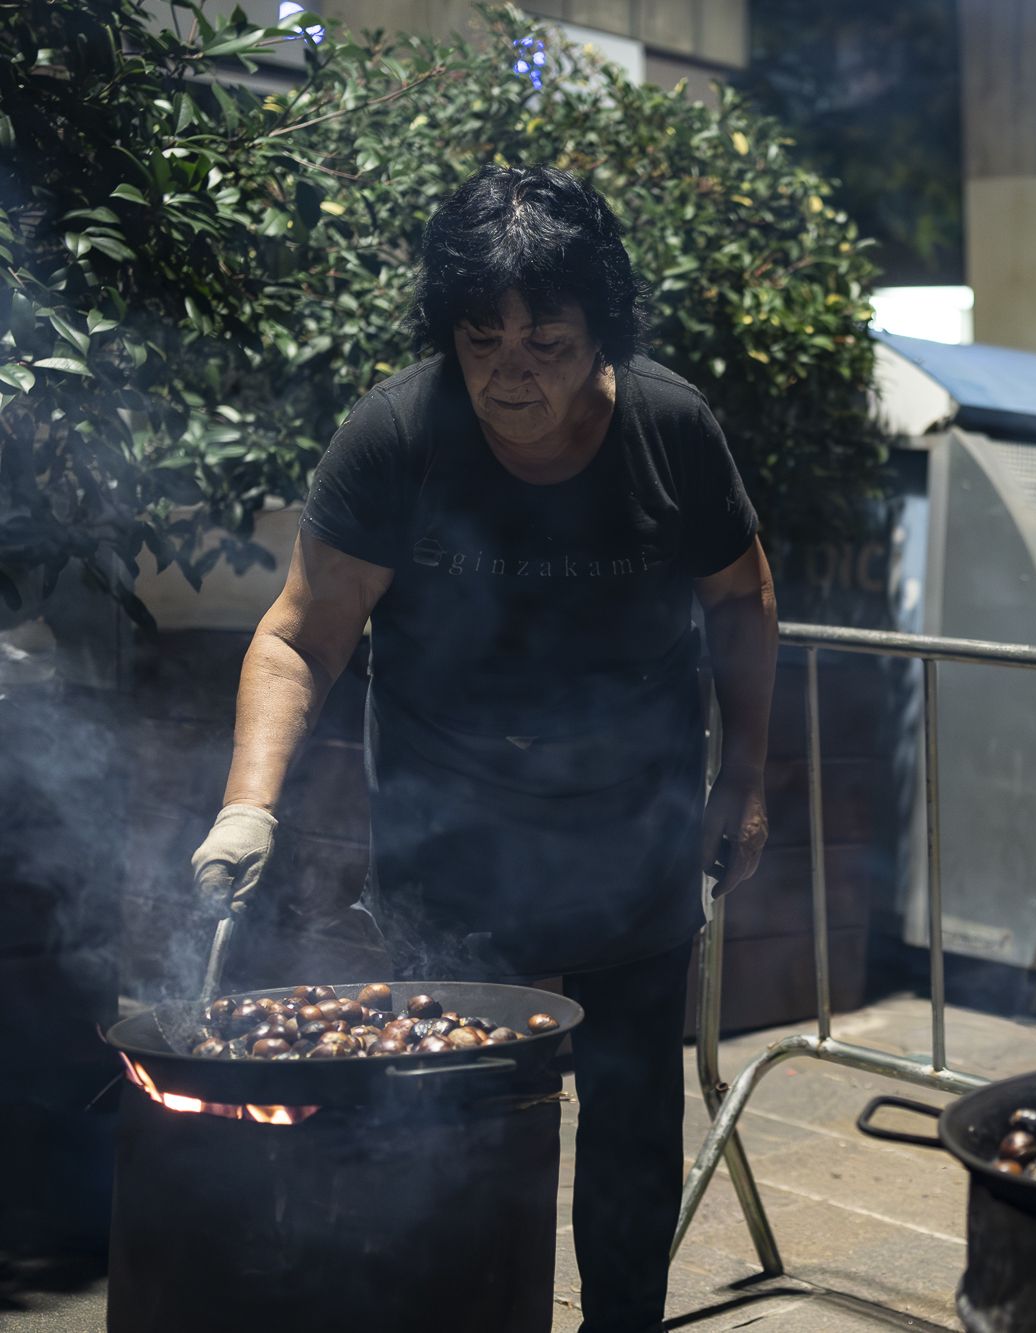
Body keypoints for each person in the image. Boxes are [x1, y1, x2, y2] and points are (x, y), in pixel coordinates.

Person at [189, 164, 777, 1333]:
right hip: (449, 829)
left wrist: (744, 778)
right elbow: (302, 634)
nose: (513, 368)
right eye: (482, 336)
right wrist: (246, 805)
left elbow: (741, 599)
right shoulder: (398, 433)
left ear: (599, 333)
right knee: (444, 1112)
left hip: (632, 822)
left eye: (547, 339)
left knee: (625, 1113)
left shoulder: (669, 429)